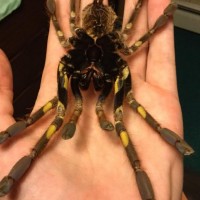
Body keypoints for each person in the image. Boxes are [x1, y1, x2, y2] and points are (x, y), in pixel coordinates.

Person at [0, 0, 187, 199]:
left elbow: (64, 29)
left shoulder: (77, 49)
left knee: (116, 110)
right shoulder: (104, 57)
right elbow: (136, 43)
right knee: (77, 110)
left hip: (88, 35)